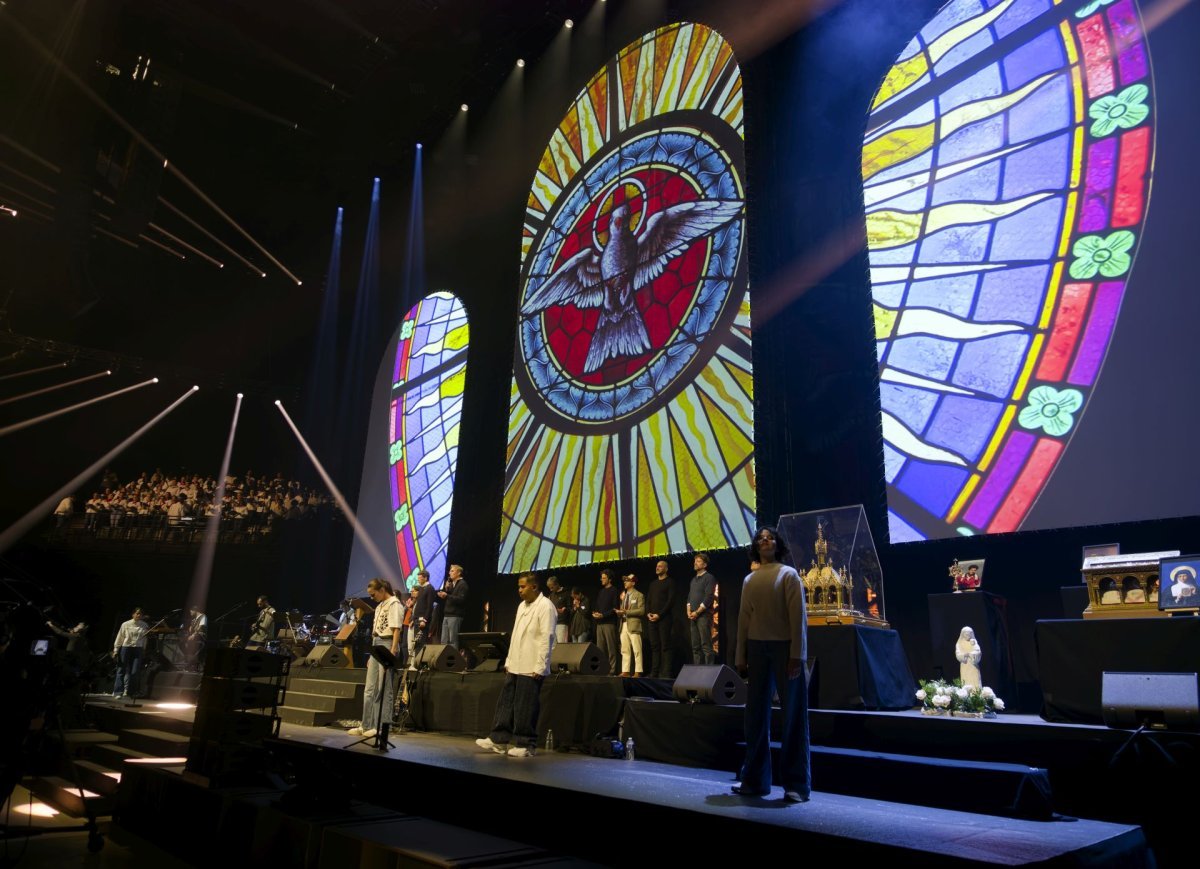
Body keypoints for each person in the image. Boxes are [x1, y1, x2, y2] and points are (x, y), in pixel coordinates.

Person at [733, 526, 810, 804]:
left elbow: (797, 618)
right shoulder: (749, 580)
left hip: (784, 650)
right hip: (756, 649)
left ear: (777, 545)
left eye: (770, 538)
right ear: (756, 546)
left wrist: (796, 655)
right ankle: (754, 780)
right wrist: (740, 657)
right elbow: (743, 620)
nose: (765, 541)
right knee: (754, 715)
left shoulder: (788, 575)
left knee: (793, 715)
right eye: (761, 538)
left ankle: (796, 785)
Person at [475, 573, 556, 757]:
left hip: (532, 664)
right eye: (518, 587)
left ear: (534, 587)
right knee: (507, 702)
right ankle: (499, 739)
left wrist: (541, 665)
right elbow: (517, 635)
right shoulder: (522, 606)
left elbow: (547, 637)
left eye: (522, 587)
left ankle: (526, 744)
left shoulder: (546, 606)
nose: (519, 591)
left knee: (525, 705)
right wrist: (509, 660)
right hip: (517, 662)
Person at [348, 578, 402, 739]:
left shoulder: (394, 603)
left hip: (387, 644)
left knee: (383, 687)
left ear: (382, 590)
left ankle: (381, 726)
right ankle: (366, 724)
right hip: (376, 643)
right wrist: (372, 655)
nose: (372, 598)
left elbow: (397, 629)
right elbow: (375, 631)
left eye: (373, 594)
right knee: (369, 688)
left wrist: (392, 651)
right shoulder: (379, 606)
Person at [645, 559, 676, 679]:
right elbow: (648, 601)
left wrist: (659, 615)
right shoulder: (653, 584)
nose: (657, 568)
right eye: (657, 566)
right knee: (654, 646)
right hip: (651, 619)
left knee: (665, 646)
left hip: (664, 619)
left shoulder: (670, 582)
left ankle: (666, 673)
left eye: (660, 566)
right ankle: (654, 673)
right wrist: (648, 613)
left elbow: (670, 601)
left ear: (666, 569)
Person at [112, 607, 150, 699]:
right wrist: (116, 650)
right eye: (137, 613)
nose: (138, 615)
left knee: (135, 671)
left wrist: (144, 649)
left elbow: (145, 639)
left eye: (140, 614)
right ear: (133, 614)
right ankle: (118, 692)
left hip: (138, 649)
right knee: (121, 669)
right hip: (126, 647)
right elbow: (120, 637)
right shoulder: (125, 624)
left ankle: (131, 692)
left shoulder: (144, 625)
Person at [687, 553, 716, 665]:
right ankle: (697, 672)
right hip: (693, 616)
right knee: (695, 646)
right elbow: (690, 596)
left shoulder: (709, 578)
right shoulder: (693, 580)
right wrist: (688, 610)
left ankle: (709, 673)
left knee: (706, 646)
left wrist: (697, 612)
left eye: (698, 561)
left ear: (705, 564)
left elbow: (709, 597)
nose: (695, 563)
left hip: (703, 616)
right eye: (695, 561)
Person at [591, 569, 620, 675]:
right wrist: (596, 613)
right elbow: (598, 606)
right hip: (600, 624)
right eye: (601, 578)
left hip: (609, 623)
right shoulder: (601, 591)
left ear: (610, 579)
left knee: (611, 649)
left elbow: (614, 608)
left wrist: (603, 615)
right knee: (600, 649)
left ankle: (612, 670)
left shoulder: (614, 590)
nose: (601, 580)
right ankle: (602, 669)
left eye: (604, 578)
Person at [617, 574, 645, 677]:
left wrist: (627, 612)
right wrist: (620, 611)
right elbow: (623, 609)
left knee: (637, 649)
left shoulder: (639, 595)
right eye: (624, 581)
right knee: (624, 649)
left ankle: (638, 671)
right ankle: (626, 671)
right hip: (623, 624)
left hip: (633, 625)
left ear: (633, 583)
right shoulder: (624, 596)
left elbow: (641, 611)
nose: (625, 582)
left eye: (627, 580)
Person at [437, 564, 469, 648]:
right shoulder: (452, 584)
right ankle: (444, 659)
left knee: (453, 641)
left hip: (455, 616)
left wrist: (447, 595)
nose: (449, 573)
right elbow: (450, 597)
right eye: (450, 571)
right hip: (447, 615)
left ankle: (453, 660)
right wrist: (446, 590)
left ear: (459, 573)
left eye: (452, 571)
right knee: (444, 641)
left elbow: (461, 600)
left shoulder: (462, 584)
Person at [410, 570, 435, 668]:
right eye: (418, 578)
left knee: (421, 643)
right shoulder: (421, 588)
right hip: (416, 620)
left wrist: (424, 620)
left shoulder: (430, 588)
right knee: (417, 643)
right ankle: (417, 664)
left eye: (420, 578)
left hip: (422, 621)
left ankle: (420, 666)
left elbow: (429, 606)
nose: (418, 580)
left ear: (425, 578)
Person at [546, 576, 571, 645]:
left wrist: (564, 610)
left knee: (562, 645)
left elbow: (570, 608)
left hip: (562, 623)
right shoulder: (551, 595)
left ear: (557, 584)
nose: (551, 590)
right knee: (553, 646)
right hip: (552, 624)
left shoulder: (566, 593)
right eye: (549, 588)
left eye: (552, 587)